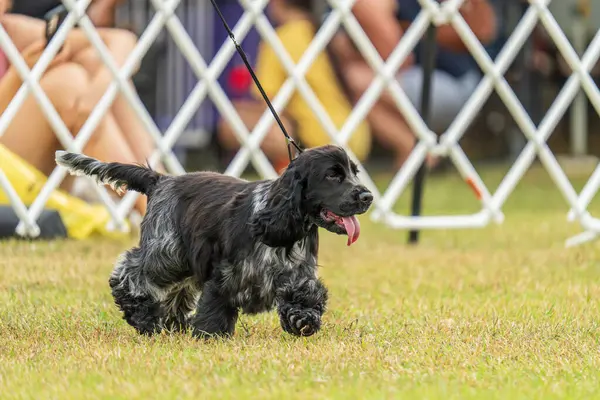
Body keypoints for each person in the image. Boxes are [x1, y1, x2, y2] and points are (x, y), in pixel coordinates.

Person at [0, 0, 163, 215]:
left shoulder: (11, 30)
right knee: (67, 82)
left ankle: (161, 190)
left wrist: (97, 91)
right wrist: (22, 75)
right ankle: (158, 204)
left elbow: (123, 41)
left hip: (31, 164)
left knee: (95, 62)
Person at [332, 0, 498, 169]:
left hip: (453, 85)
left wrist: (372, 20)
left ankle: (414, 150)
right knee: (360, 91)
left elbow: (398, 60)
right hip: (456, 84)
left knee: (353, 79)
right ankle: (415, 152)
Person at [217, 0, 372, 173]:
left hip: (316, 141)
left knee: (231, 122)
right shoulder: (321, 32)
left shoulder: (279, 39)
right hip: (356, 135)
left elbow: (268, 102)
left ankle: (285, 165)